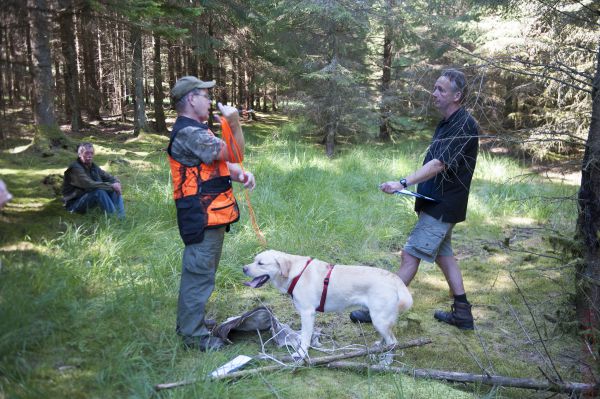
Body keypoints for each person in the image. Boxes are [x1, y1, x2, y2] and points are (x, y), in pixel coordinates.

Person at [350, 69, 479, 330]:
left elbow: (438, 164)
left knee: (409, 256)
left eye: (441, 90)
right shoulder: (448, 121)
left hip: (443, 205)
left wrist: (403, 182)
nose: (435, 94)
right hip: (438, 202)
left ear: (457, 96)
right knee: (445, 257)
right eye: (435, 88)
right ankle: (463, 314)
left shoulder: (464, 124)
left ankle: (382, 309)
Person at [168, 76, 256, 351]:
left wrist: (238, 174)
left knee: (203, 271)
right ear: (191, 99)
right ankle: (193, 336)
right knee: (199, 274)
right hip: (201, 214)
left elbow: (215, 163)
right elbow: (234, 152)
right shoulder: (189, 132)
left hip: (211, 213)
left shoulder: (196, 130)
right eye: (206, 96)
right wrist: (234, 122)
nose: (209, 101)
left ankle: (191, 322)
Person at [62, 143, 125, 218]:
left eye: (91, 153)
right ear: (80, 155)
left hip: (86, 197)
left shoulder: (93, 166)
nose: (89, 155)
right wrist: (111, 186)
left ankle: (121, 218)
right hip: (74, 204)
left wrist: (116, 182)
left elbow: (107, 176)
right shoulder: (75, 168)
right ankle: (114, 219)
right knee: (99, 192)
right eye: (86, 153)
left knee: (115, 190)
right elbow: (89, 184)